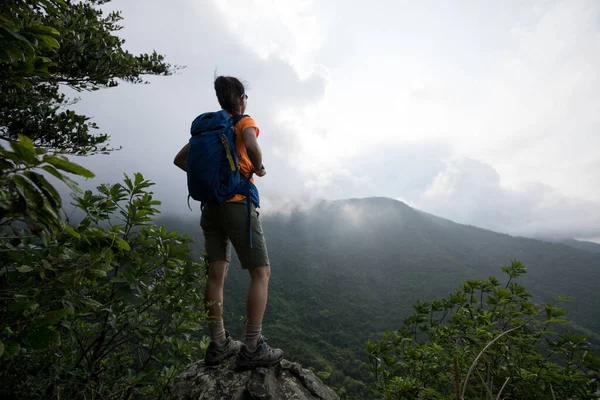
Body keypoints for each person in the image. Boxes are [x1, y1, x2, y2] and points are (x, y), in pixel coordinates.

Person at [173, 76, 283, 368]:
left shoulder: (209, 129)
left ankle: (219, 343)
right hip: (236, 205)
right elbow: (251, 144)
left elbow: (180, 160)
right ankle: (252, 347)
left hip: (210, 207)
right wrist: (257, 167)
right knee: (261, 273)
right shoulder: (243, 122)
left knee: (215, 275)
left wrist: (213, 178)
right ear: (242, 99)